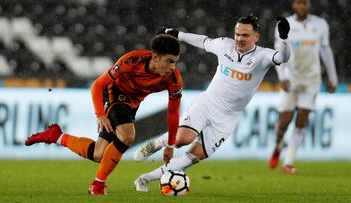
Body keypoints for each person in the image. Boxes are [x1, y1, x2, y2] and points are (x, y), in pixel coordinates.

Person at [133, 15, 291, 192]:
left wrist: (284, 39)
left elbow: (283, 58)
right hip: (208, 103)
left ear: (256, 37)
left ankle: (145, 179)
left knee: (192, 157)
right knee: (181, 140)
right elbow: (203, 41)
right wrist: (178, 34)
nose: (239, 39)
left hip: (229, 116)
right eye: (237, 34)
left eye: (245, 35)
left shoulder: (263, 56)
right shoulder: (224, 45)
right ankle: (158, 143)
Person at [25, 34, 183, 195]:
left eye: (175, 62)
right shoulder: (131, 61)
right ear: (155, 58)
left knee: (99, 154)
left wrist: (170, 145)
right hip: (113, 94)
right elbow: (97, 85)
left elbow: (173, 113)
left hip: (131, 105)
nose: (172, 67)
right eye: (169, 61)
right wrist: (100, 114)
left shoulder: (174, 80)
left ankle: (56, 136)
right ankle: (98, 185)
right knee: (127, 135)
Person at [269, 0, 338, 174]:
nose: (302, 6)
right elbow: (279, 51)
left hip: (311, 79)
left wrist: (332, 77)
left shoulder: (320, 24)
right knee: (284, 122)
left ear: (309, 5)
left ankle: (288, 162)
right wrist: (282, 76)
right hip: (291, 78)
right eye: (298, 3)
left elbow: (325, 50)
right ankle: (278, 145)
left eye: (305, 3)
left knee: (302, 119)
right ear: (293, 5)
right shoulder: (285, 24)